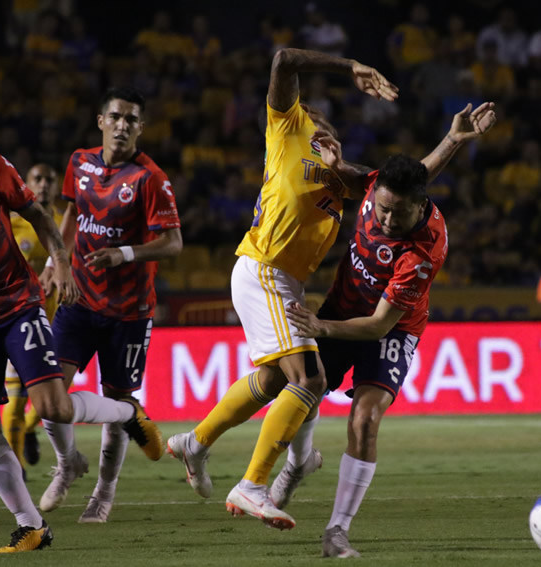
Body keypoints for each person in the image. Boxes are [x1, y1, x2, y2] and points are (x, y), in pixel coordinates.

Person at [0, 80, 162, 553]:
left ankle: (128, 411)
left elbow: (41, 216)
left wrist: (61, 262)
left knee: (53, 407)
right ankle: (32, 526)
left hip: (16, 304)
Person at [166, 47, 399, 531]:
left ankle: (197, 441)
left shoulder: (338, 176)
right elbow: (282, 59)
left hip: (282, 280)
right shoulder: (287, 127)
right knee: (310, 380)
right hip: (263, 267)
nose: (323, 121)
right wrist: (351, 65)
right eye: (316, 114)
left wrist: (452, 142)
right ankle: (252, 485)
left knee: (276, 381)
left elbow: (404, 186)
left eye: (327, 122)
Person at [282, 101, 496, 557]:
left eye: (397, 215)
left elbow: (379, 325)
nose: (384, 220)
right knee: (301, 393)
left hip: (391, 329)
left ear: (422, 205)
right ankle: (297, 466)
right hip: (344, 304)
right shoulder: (383, 188)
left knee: (365, 419)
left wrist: (321, 326)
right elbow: (393, 175)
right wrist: (453, 139)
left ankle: (337, 530)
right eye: (381, 210)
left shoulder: (423, 252)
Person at [38, 86, 182, 523]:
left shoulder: (149, 178)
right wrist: (54, 260)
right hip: (79, 298)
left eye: (131, 120)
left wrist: (125, 253)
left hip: (129, 310)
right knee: (49, 395)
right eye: (116, 116)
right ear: (100, 120)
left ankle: (103, 492)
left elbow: (173, 243)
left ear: (141, 128)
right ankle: (68, 464)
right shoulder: (79, 162)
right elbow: (70, 216)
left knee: (117, 401)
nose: (122, 125)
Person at [2, 164, 62, 476]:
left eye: (49, 179)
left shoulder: (66, 223)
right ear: (25, 184)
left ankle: (27, 429)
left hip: (58, 323)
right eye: (37, 179)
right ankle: (16, 466)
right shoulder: (13, 224)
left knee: (54, 400)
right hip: (22, 322)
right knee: (14, 398)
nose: (43, 184)